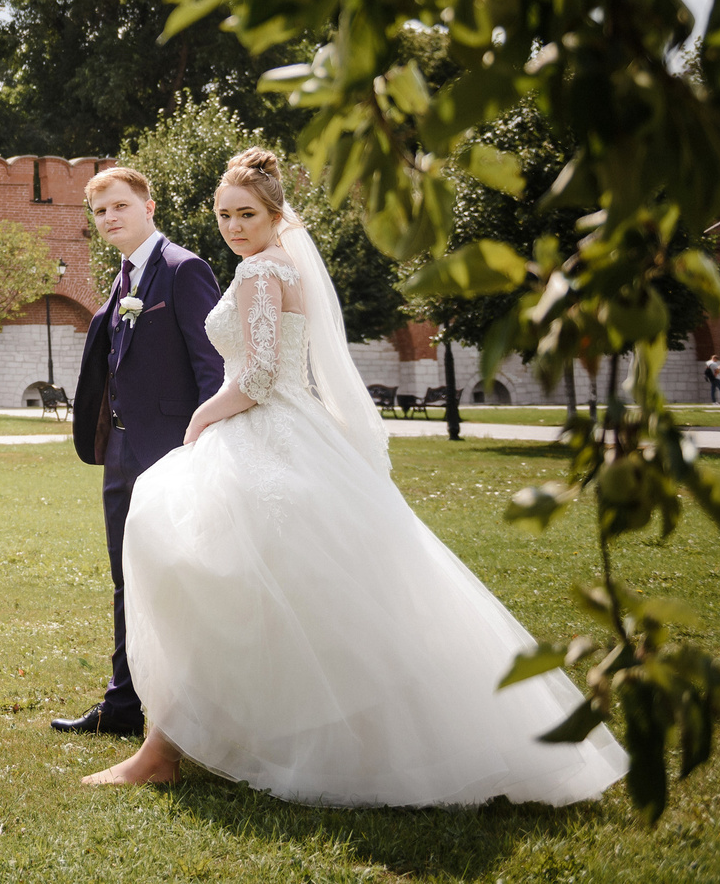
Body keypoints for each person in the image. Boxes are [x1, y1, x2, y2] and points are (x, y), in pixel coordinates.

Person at [82, 148, 628, 806]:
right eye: (224, 215)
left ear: (275, 213)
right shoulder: (283, 267)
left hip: (263, 431)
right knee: (263, 589)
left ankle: (165, 751)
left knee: (190, 561)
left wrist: (202, 416)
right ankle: (174, 744)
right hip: (291, 429)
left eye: (246, 213)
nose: (232, 226)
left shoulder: (259, 272)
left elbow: (257, 377)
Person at [51, 166, 224, 738]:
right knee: (126, 576)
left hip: (171, 452)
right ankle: (123, 706)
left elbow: (212, 368)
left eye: (120, 206)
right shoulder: (123, 276)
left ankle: (194, 710)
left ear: (149, 207)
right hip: (120, 452)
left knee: (176, 577)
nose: (109, 218)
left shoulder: (183, 269)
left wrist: (203, 450)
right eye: (100, 212)